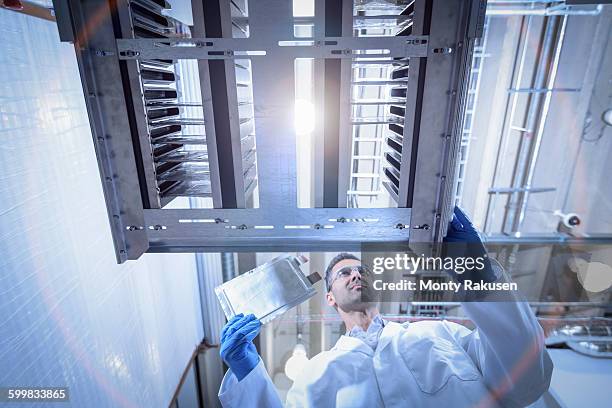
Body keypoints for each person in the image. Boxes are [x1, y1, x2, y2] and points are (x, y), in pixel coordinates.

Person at [217, 207, 553, 407]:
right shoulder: (315, 374)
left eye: (361, 271)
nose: (355, 275)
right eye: (344, 273)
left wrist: (480, 275)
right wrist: (250, 377)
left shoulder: (440, 334)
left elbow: (526, 382)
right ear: (329, 297)